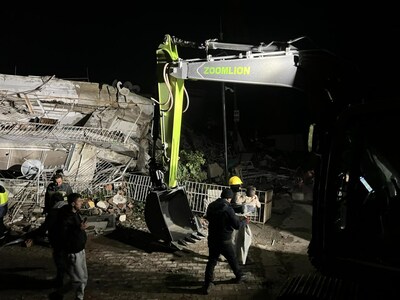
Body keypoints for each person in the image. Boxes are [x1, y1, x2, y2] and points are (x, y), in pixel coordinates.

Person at [202, 188, 249, 295]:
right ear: (229, 198)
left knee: (212, 261)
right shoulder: (228, 209)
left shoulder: (211, 205)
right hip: (225, 240)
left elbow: (208, 217)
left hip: (213, 238)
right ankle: (239, 276)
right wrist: (244, 222)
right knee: (232, 259)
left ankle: (208, 283)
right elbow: (236, 225)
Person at [49, 192, 88, 300]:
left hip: (80, 249)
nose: (81, 203)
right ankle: (64, 294)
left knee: (83, 278)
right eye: (79, 201)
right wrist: (78, 229)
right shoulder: (65, 217)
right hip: (73, 252)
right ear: (72, 203)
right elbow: (65, 235)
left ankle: (73, 296)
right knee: (78, 280)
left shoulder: (76, 213)